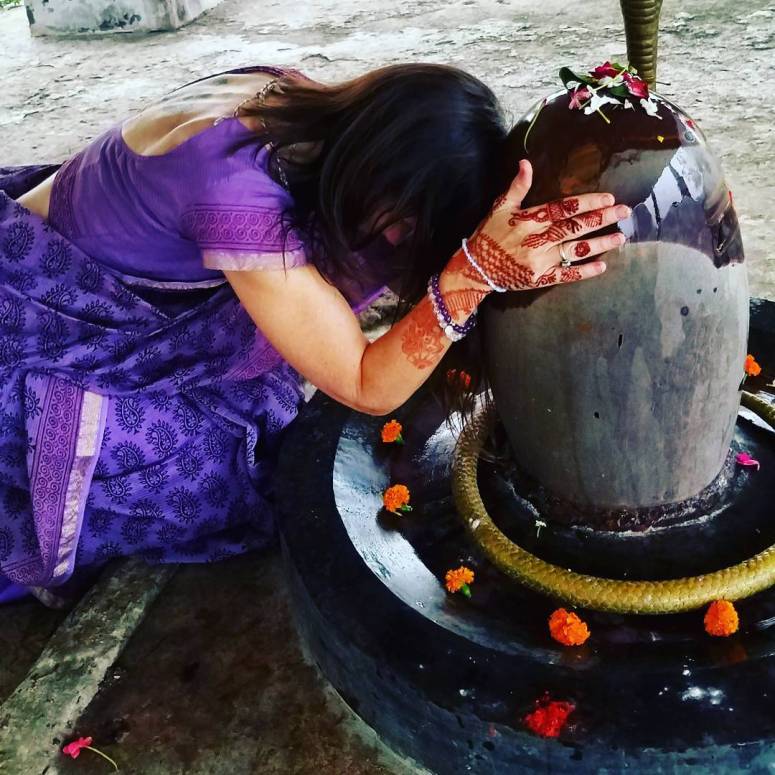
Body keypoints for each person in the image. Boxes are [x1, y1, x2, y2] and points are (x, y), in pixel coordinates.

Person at [0, 63, 629, 605]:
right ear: (384, 174)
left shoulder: (300, 106)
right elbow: (366, 385)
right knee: (219, 476)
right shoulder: (235, 194)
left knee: (274, 403)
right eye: (409, 224)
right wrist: (470, 276)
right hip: (43, 318)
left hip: (91, 261)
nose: (401, 243)